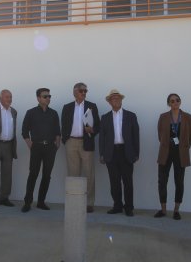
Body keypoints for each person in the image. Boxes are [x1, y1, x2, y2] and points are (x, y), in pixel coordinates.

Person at [99, 89, 139, 217]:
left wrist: (136, 153)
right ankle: (117, 206)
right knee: (114, 181)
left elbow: (135, 135)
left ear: (121, 100)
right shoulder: (104, 118)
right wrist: (102, 154)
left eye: (118, 98)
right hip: (111, 153)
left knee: (127, 181)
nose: (115, 100)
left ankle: (129, 207)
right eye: (113, 98)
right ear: (109, 102)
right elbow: (102, 138)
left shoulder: (131, 116)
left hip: (126, 152)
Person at [61, 82, 100, 213]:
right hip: (71, 142)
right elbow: (64, 124)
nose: (84, 93)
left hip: (86, 142)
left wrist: (92, 129)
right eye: (81, 91)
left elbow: (98, 126)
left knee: (89, 173)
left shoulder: (92, 106)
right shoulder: (67, 107)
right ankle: (74, 201)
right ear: (75, 92)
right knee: (73, 174)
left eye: (85, 91)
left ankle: (89, 202)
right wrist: (65, 140)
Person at [156, 93, 191, 220]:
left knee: (179, 181)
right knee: (162, 181)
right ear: (169, 103)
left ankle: (176, 210)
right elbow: (159, 134)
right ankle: (163, 210)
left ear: (180, 102)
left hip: (180, 153)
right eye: (172, 101)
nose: (175, 102)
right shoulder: (163, 117)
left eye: (177, 100)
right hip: (165, 152)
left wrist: (184, 146)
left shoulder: (188, 117)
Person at [21, 88, 61, 213]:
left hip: (50, 148)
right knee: (33, 174)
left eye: (49, 96)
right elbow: (24, 130)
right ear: (38, 98)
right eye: (45, 96)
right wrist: (30, 144)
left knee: (46, 175)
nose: (48, 98)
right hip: (36, 147)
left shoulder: (53, 113)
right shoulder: (31, 112)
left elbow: (57, 130)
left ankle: (41, 202)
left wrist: (57, 143)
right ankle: (27, 202)